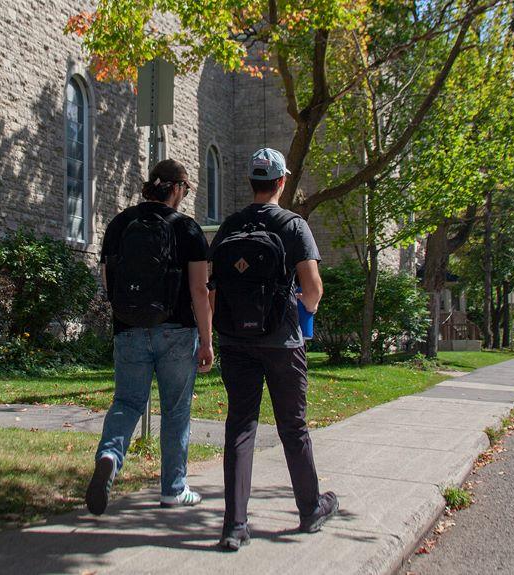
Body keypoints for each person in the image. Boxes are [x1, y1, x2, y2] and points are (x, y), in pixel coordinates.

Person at [209, 148, 338, 552]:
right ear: (281, 183)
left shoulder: (229, 226)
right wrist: (306, 309)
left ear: (252, 182)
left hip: (235, 341)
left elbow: (215, 290)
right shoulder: (293, 225)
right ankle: (310, 508)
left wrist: (219, 332)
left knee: (240, 425)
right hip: (282, 342)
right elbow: (313, 290)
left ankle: (234, 525)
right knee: (293, 427)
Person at [86, 158, 214, 515]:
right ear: (175, 188)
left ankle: (110, 455)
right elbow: (200, 291)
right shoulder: (188, 230)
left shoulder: (119, 224)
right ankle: (173, 489)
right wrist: (207, 340)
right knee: (175, 411)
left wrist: (126, 317)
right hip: (177, 331)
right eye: (185, 189)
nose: (185, 196)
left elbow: (109, 283)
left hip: (128, 328)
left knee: (127, 403)